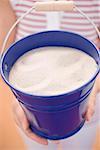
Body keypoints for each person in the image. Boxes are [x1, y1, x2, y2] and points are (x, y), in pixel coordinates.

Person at [0, 0, 100, 149]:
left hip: (86, 110)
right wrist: (19, 99)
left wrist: (93, 88)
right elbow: (4, 57)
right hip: (29, 114)